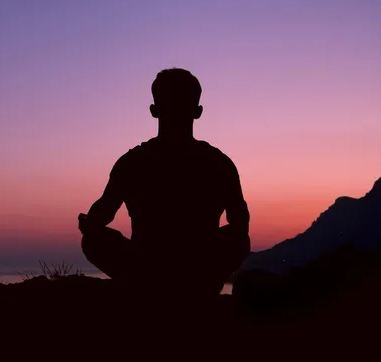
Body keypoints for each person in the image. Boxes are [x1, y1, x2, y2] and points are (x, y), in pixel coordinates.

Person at [78, 68, 251, 298]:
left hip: (144, 268)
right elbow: (240, 223)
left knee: (93, 240)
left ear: (154, 110)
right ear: (198, 112)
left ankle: (145, 287)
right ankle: (198, 287)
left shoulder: (132, 162)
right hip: (200, 269)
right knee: (238, 239)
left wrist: (87, 223)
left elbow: (100, 218)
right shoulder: (219, 163)